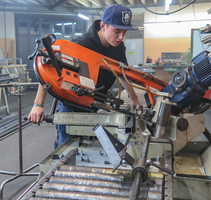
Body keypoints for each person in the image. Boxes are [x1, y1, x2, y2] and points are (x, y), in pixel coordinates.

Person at [28, 4, 142, 147]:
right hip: (71, 107)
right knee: (66, 151)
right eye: (117, 31)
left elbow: (122, 73)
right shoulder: (81, 45)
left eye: (124, 32)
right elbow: (48, 67)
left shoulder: (118, 47)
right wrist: (38, 105)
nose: (121, 37)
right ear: (103, 25)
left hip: (95, 105)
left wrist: (134, 98)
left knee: (87, 148)